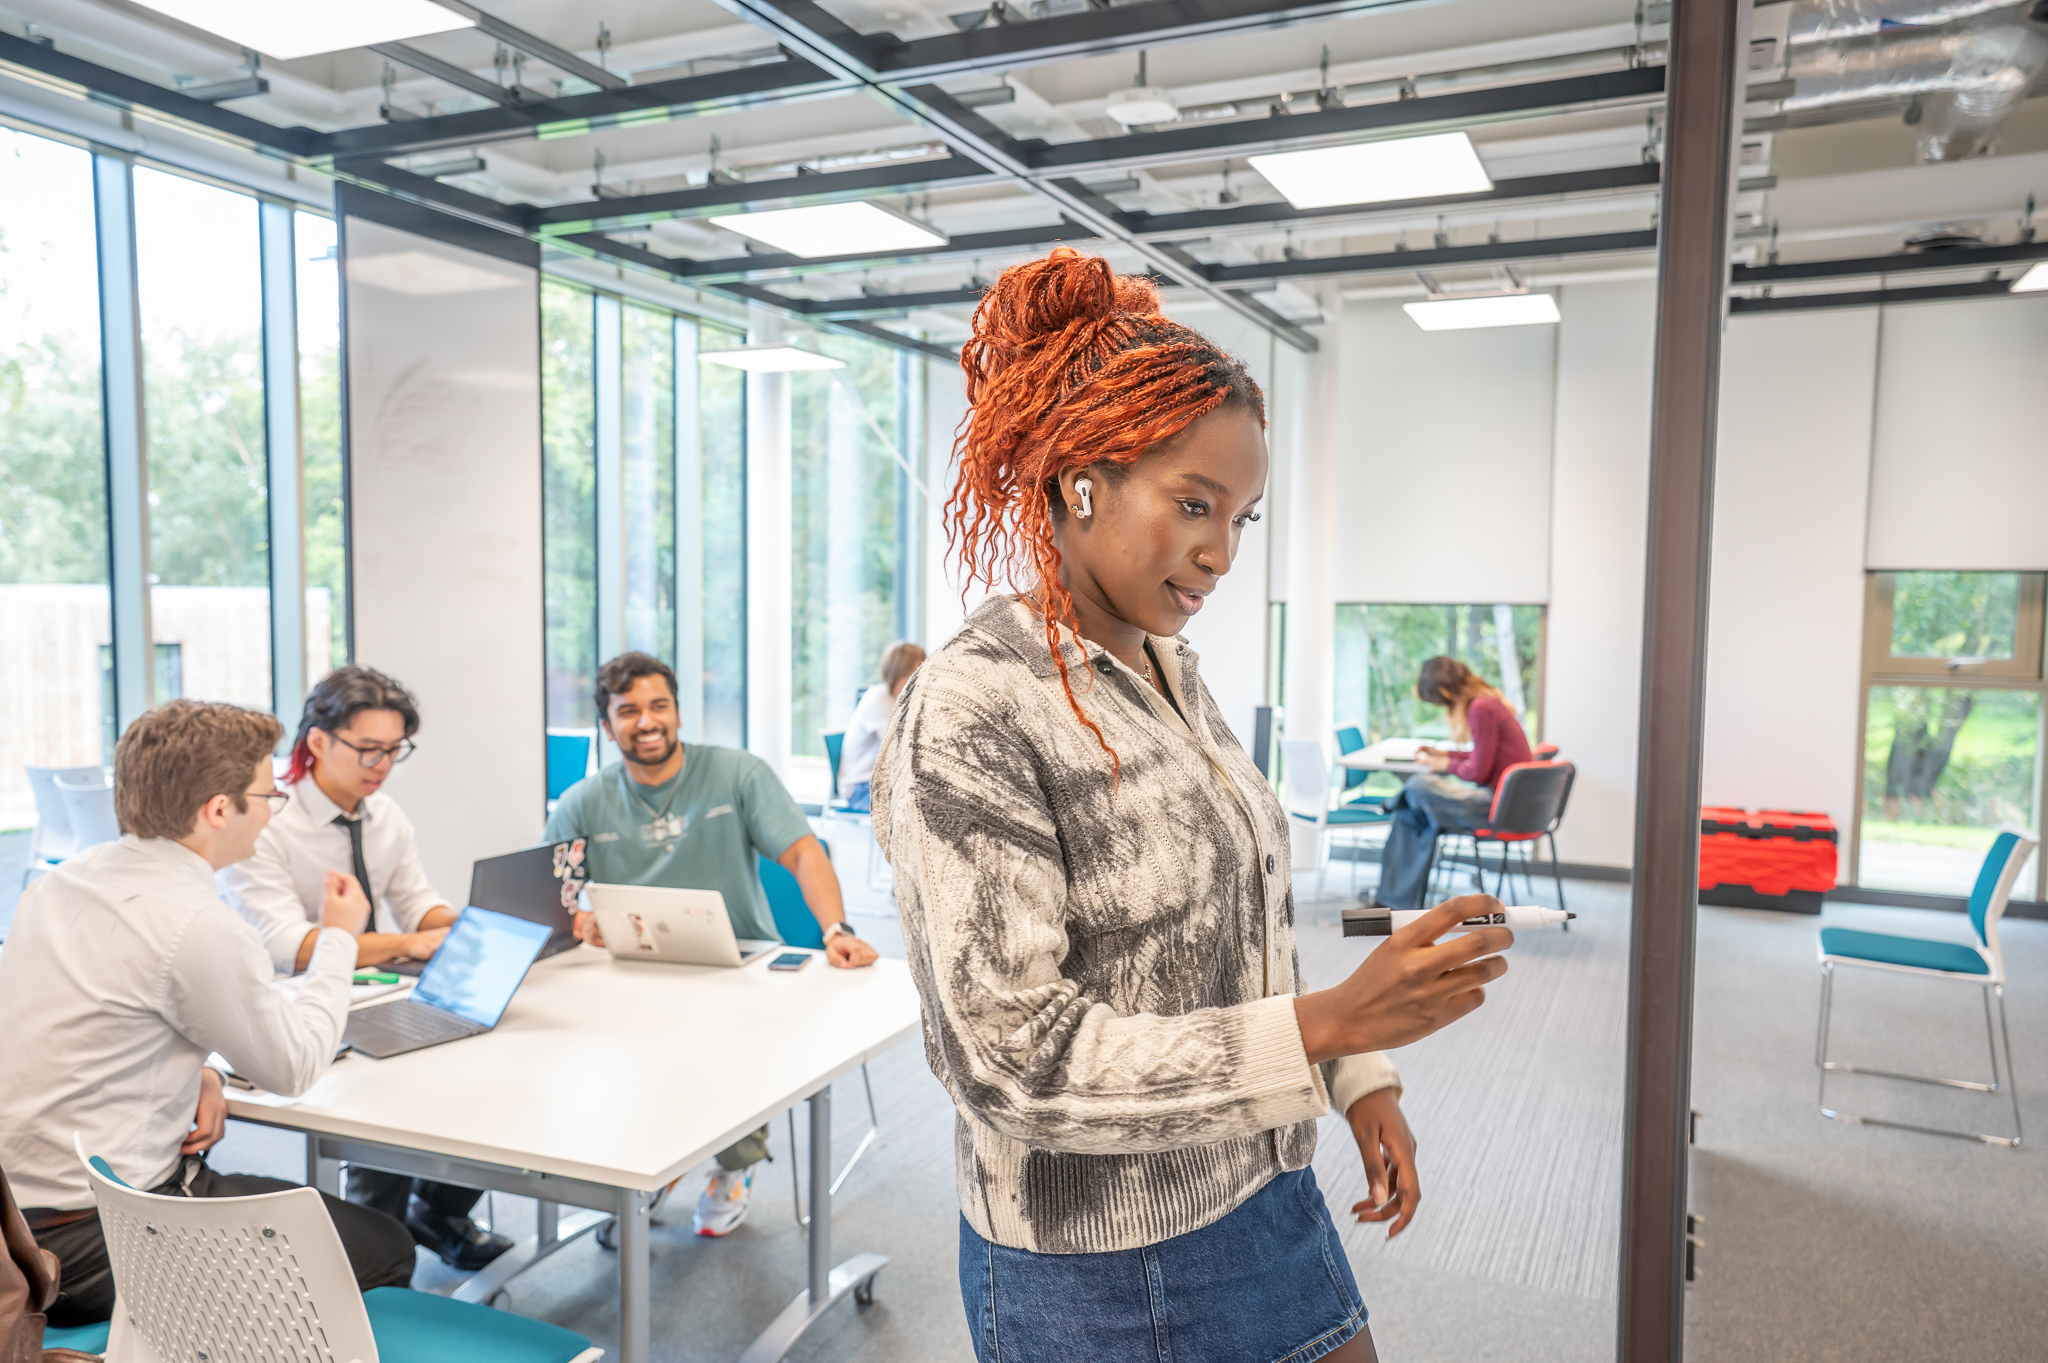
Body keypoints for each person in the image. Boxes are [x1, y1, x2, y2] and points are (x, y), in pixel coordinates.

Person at [871, 247, 1511, 1363]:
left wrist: (1358, 1078)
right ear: (1080, 481)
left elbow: (1239, 923)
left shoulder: (1171, 670)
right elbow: (1010, 1058)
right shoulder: (972, 704)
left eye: (1242, 517)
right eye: (1192, 504)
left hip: (1264, 1185)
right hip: (1103, 1265)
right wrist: (1328, 1026)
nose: (1217, 552)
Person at [0, 700, 416, 1327]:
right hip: (98, 1240)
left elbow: (99, 1017)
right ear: (219, 809)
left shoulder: (61, 884)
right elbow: (295, 1066)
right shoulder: (196, 922)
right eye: (267, 795)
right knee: (385, 1248)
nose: (273, 809)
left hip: (14, 1228)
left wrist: (203, 1070)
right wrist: (339, 938)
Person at [546, 651, 881, 1237]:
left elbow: (803, 852)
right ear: (607, 725)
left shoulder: (736, 774)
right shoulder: (584, 801)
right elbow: (555, 890)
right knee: (593, 1050)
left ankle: (735, 1165)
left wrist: (836, 929)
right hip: (631, 974)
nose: (646, 722)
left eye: (659, 706)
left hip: (739, 971)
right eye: (628, 711)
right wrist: (580, 919)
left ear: (677, 713)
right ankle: (645, 1168)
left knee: (723, 1051)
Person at [217, 665, 509, 1272]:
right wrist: (402, 941)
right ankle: (380, 1254)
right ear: (318, 741)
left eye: (394, 751)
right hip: (297, 1007)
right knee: (390, 1102)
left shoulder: (386, 816)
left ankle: (432, 1208)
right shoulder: (270, 819)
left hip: (380, 994)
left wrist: (457, 925)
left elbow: (417, 901)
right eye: (368, 749)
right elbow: (282, 945)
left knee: (494, 1065)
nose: (381, 764)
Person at [1370, 656, 1535, 911]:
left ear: (1446, 692)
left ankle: (1395, 803)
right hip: (1504, 802)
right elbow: (1481, 756)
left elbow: (1479, 772)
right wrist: (1444, 755)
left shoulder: (1481, 708)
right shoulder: (1488, 702)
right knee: (1411, 814)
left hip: (1499, 807)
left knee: (1419, 785)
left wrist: (1444, 765)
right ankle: (1391, 904)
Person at [837, 641, 926, 813]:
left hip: (883, 783)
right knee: (921, 806)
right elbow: (903, 748)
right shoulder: (877, 699)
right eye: (917, 667)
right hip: (862, 788)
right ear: (900, 669)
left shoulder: (899, 700)